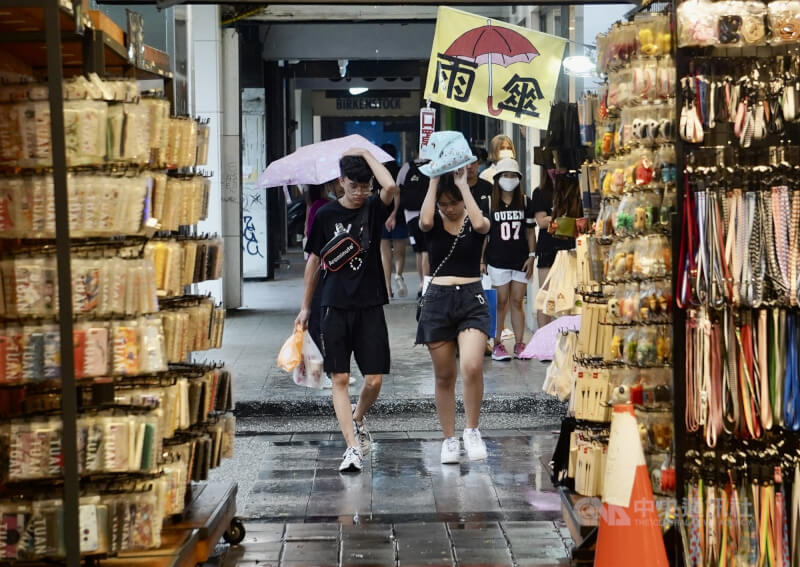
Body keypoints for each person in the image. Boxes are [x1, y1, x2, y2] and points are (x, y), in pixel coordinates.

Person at [296, 148, 398, 473]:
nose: (360, 192)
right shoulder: (325, 214)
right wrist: (305, 307)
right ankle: (352, 447)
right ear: (341, 182)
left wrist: (367, 155)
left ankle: (356, 418)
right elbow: (313, 261)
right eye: (354, 186)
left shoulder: (371, 209)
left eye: (365, 186)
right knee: (339, 378)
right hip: (334, 304)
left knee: (374, 380)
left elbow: (391, 188)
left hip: (370, 304)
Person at [416, 131, 492, 464]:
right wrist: (433, 180)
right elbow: (425, 219)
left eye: (453, 203)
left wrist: (463, 187)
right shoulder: (433, 219)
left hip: (472, 296)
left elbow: (481, 225)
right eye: (444, 204)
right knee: (444, 375)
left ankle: (472, 430)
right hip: (437, 298)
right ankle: (449, 438)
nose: (449, 209)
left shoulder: (474, 211)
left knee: (473, 365)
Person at [480, 158, 536, 360]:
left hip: (520, 259)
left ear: (519, 179)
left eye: (513, 176)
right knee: (501, 302)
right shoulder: (488, 203)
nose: (509, 179)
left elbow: (530, 232)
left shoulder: (526, 201)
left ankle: (520, 344)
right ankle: (497, 344)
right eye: (505, 175)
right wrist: (481, 260)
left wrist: (532, 256)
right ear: (497, 178)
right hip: (497, 259)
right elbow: (484, 235)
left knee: (517, 301)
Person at [531, 170, 577, 328]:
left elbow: (576, 218)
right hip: (547, 248)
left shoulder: (572, 189)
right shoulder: (540, 192)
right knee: (545, 296)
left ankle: (566, 335)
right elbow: (541, 222)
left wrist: (554, 220)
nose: (556, 172)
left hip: (569, 248)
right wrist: (561, 220)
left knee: (568, 296)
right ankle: (543, 340)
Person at [396, 157, 431, 298]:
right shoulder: (432, 165)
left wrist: (394, 213)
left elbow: (397, 187)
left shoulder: (407, 167)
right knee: (427, 250)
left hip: (410, 215)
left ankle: (422, 282)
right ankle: (425, 285)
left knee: (419, 251)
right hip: (428, 212)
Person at [378, 143, 408, 299]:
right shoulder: (399, 170)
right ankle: (398, 274)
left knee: (384, 253)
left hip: (382, 215)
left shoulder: (377, 172)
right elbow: (398, 191)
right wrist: (395, 213)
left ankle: (387, 287)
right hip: (400, 215)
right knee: (399, 251)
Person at [467, 145, 494, 213]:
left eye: (473, 162)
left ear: (478, 163)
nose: (469, 166)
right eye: (466, 162)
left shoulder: (488, 187)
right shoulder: (453, 188)